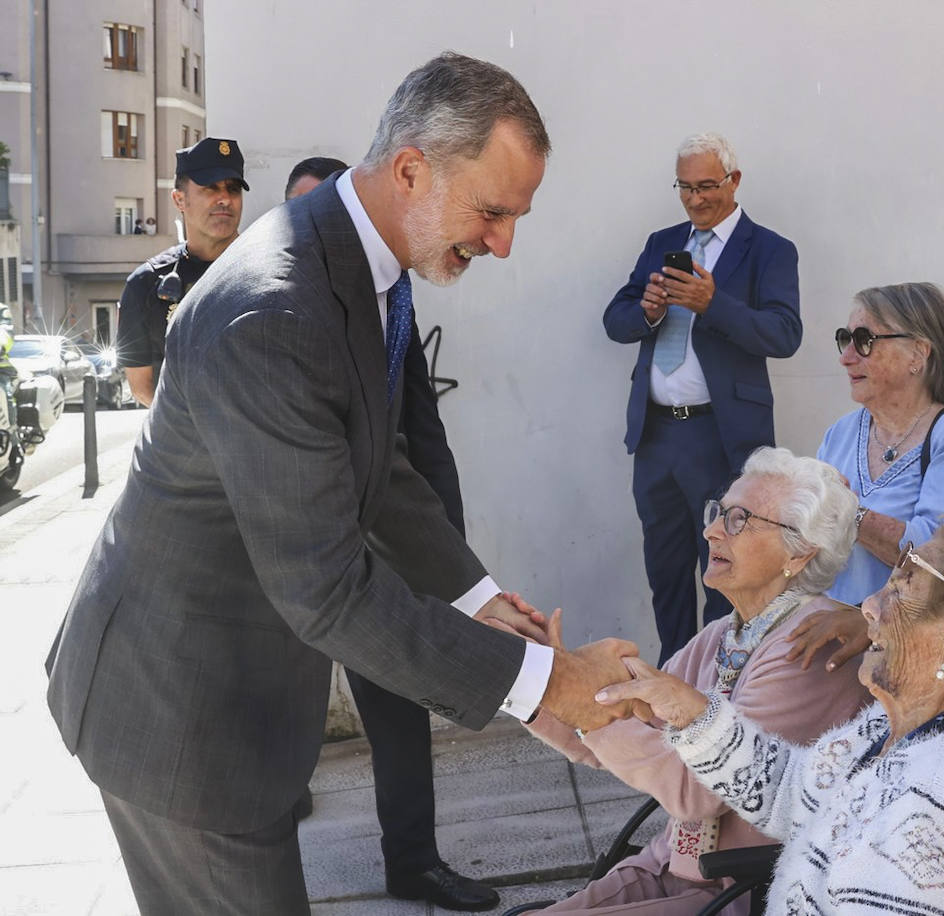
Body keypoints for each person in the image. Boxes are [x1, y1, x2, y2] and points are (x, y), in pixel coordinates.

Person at [45, 53, 640, 916]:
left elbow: (378, 464)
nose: (505, 242)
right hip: (179, 716)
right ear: (409, 170)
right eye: (493, 211)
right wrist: (546, 684)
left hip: (227, 700)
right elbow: (327, 590)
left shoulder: (349, 261)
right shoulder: (279, 309)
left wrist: (476, 598)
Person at [600, 498, 944, 915]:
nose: (868, 606)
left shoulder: (941, 815)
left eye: (905, 585)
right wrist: (690, 711)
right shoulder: (900, 728)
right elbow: (789, 791)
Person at [521, 448, 871, 914]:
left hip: (744, 889)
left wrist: (584, 703)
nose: (710, 530)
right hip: (676, 865)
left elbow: (695, 794)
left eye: (739, 519)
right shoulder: (725, 633)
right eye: (719, 512)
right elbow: (619, 732)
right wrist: (534, 678)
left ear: (799, 553)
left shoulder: (811, 645)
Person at [285, 157, 485, 910]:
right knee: (274, 701)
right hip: (288, 549)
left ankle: (414, 860)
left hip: (379, 549)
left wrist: (455, 560)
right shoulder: (264, 301)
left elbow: (419, 436)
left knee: (398, 709)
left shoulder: (389, 298)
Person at [604, 132, 802, 665]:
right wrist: (646, 310)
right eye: (685, 188)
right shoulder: (661, 242)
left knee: (725, 569)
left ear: (734, 181)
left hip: (722, 438)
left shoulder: (770, 250)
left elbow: (785, 335)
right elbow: (614, 320)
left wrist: (713, 304)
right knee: (665, 571)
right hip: (657, 435)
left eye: (707, 186)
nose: (696, 200)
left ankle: (722, 687)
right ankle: (673, 677)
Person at [787, 282, 944, 673]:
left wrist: (846, 511)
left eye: (864, 340)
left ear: (918, 353)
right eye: (845, 339)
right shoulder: (841, 432)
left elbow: (934, 559)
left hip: (914, 655)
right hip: (829, 642)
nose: (847, 358)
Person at [115, 136, 249, 406]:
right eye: (210, 188)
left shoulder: (269, 269)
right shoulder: (146, 284)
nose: (224, 198)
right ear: (179, 200)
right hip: (183, 444)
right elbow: (142, 388)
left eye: (233, 188)